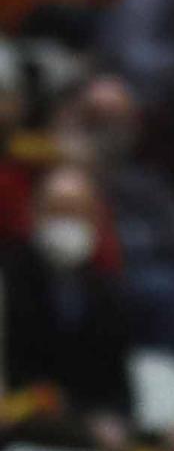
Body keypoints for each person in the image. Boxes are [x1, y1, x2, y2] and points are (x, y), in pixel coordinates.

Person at [0, 164, 133, 429]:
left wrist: (112, 422)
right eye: (57, 211)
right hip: (18, 420)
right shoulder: (8, 277)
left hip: (83, 426)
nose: (66, 222)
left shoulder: (109, 292)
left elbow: (117, 384)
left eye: (75, 213)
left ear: (95, 219)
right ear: (34, 213)